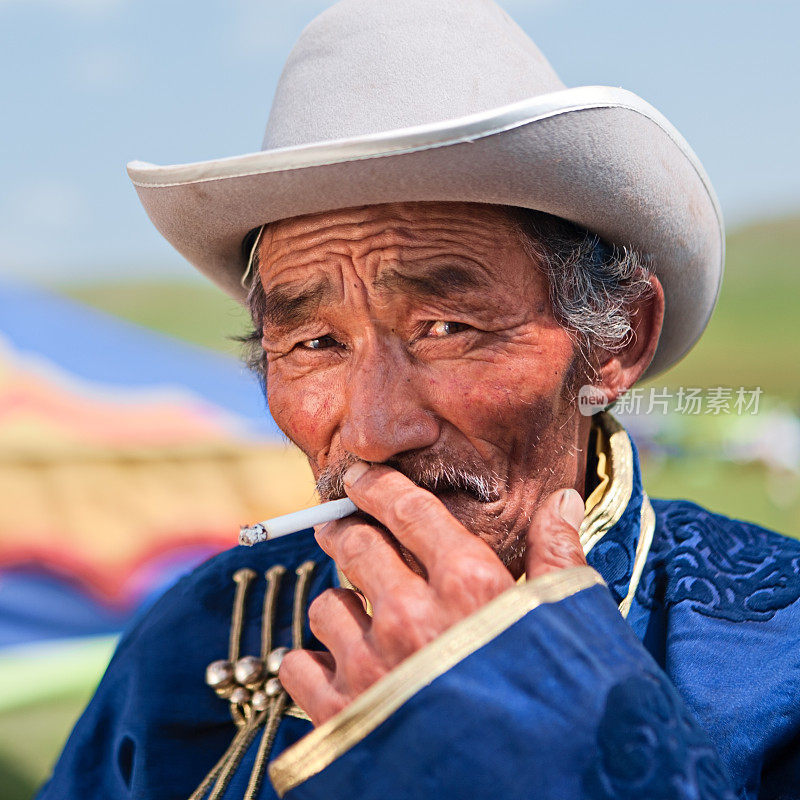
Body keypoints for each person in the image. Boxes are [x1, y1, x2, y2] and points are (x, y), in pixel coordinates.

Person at [38, 1, 800, 798]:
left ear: (615, 341)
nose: (372, 433)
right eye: (315, 343)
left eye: (445, 326)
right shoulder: (193, 644)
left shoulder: (774, 653)